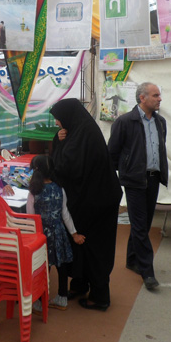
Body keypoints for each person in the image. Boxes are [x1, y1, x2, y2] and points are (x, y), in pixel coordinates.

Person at [49, 98, 123, 311]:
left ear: (68, 117)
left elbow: (64, 167)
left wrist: (59, 145)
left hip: (97, 204)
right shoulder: (81, 131)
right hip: (91, 200)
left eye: (58, 119)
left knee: (95, 248)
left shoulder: (84, 135)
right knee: (80, 243)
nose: (57, 123)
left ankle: (100, 297)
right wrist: (58, 140)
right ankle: (80, 284)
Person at [107, 82, 168, 291]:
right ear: (142, 98)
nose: (159, 99)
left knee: (144, 223)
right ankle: (147, 271)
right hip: (134, 180)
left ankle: (132, 259)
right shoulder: (125, 121)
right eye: (155, 95)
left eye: (159, 95)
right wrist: (125, 172)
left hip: (153, 178)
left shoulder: (161, 122)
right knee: (141, 225)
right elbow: (112, 153)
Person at [27, 155, 85, 312]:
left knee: (42, 267)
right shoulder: (60, 189)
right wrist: (74, 234)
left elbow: (31, 217)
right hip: (59, 232)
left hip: (41, 235)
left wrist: (31, 237)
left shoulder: (34, 192)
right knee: (61, 265)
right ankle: (62, 297)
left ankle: (39, 300)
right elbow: (65, 214)